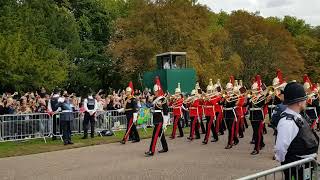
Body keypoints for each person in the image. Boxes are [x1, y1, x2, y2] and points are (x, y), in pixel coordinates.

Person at [275, 82, 319, 180]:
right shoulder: (287, 122)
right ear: (299, 102)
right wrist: (286, 164)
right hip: (296, 169)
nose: (306, 101)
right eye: (304, 99)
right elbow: (280, 148)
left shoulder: (298, 116)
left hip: (304, 168)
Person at [145, 77, 169, 156]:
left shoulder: (163, 99)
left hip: (160, 119)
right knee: (160, 134)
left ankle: (151, 151)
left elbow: (166, 111)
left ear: (158, 90)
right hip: (155, 117)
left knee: (155, 135)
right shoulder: (155, 98)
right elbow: (150, 106)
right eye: (154, 91)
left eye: (155, 91)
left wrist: (165, 123)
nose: (154, 92)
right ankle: (165, 148)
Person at [248, 75, 266, 155]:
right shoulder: (252, 97)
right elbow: (247, 105)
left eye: (254, 89)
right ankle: (261, 143)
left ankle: (256, 148)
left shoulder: (261, 97)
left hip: (258, 116)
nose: (253, 91)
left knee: (257, 133)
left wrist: (252, 98)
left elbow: (259, 105)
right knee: (256, 132)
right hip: (252, 116)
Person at [222, 76, 239, 149]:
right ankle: (235, 139)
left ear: (232, 89)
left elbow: (231, 104)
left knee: (231, 129)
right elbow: (221, 104)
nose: (228, 90)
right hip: (226, 113)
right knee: (229, 128)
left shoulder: (234, 96)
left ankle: (230, 143)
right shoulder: (225, 95)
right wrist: (223, 98)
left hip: (232, 113)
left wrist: (227, 98)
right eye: (227, 89)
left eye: (229, 89)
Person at [202, 79, 219, 144]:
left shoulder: (214, 96)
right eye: (208, 91)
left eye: (210, 91)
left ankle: (206, 139)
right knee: (211, 126)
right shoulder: (207, 96)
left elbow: (214, 103)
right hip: (207, 112)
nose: (208, 92)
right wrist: (203, 98)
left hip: (212, 112)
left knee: (208, 126)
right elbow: (203, 103)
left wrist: (209, 98)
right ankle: (216, 137)